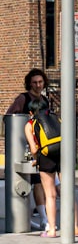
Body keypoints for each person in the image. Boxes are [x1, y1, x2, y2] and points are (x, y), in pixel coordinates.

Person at [24, 97, 78, 238]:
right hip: (63, 155)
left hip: (46, 158)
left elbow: (34, 149)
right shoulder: (56, 118)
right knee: (68, 193)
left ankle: (52, 230)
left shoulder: (30, 124)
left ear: (31, 112)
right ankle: (76, 228)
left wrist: (35, 158)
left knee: (50, 195)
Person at [7, 68, 49, 230]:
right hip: (25, 146)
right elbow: (10, 118)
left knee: (40, 181)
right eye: (35, 83)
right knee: (30, 181)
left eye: (40, 82)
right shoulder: (22, 99)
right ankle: (35, 218)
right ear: (29, 84)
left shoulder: (45, 99)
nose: (38, 85)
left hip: (41, 145)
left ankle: (41, 218)